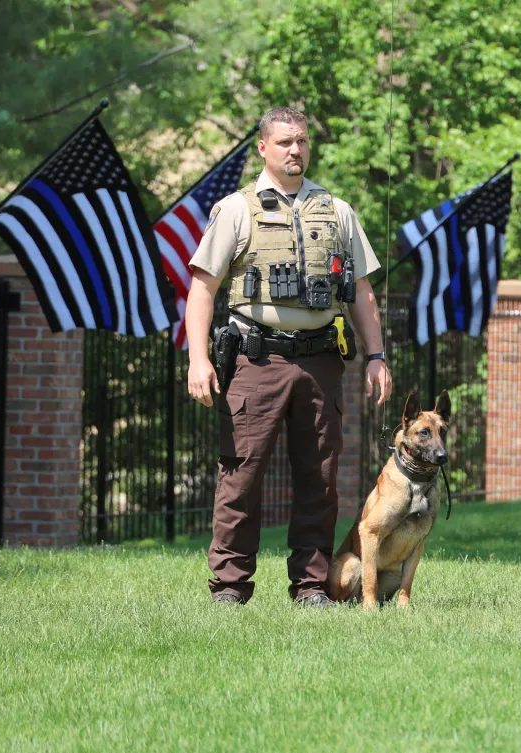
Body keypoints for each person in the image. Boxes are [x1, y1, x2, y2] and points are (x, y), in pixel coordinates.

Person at [185, 107, 393, 607]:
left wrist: (376, 356)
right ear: (262, 148)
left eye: (300, 141)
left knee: (320, 479)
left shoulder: (337, 210)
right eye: (283, 142)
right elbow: (202, 289)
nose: (294, 150)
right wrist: (198, 359)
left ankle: (311, 587)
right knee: (241, 477)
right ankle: (230, 589)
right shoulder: (236, 210)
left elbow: (361, 291)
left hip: (321, 359)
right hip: (256, 361)